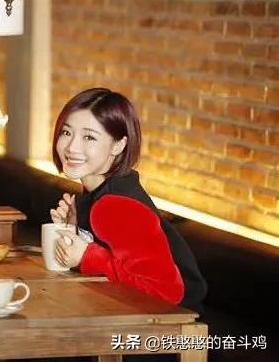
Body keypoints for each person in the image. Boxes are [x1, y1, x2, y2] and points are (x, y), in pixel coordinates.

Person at [49, 88, 207, 312]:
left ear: (118, 145)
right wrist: (76, 231)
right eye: (66, 132)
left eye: (89, 137)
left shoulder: (116, 204)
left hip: (172, 328)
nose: (71, 147)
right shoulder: (101, 192)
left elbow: (166, 292)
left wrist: (86, 256)